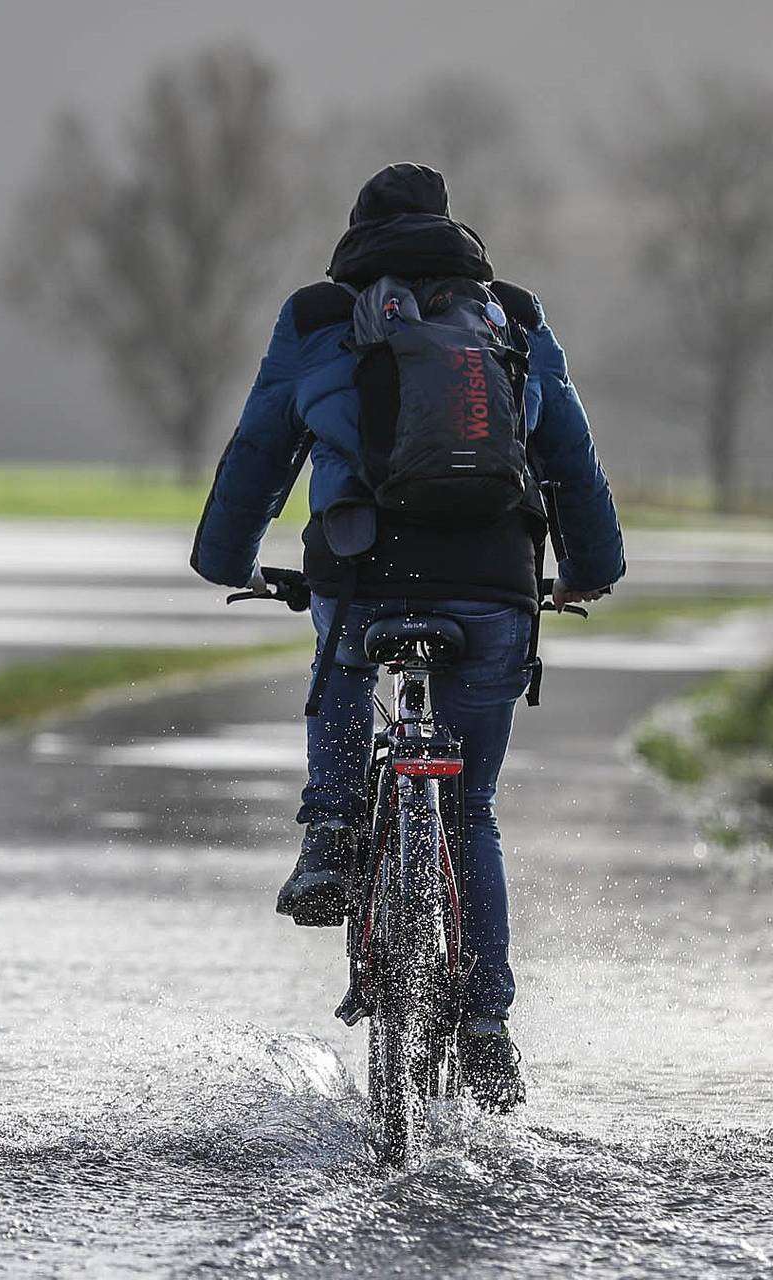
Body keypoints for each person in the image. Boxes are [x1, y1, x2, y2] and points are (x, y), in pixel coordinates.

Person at [189, 163, 626, 1111]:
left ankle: (333, 832)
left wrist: (227, 559)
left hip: (364, 573)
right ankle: (485, 1026)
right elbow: (570, 457)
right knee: (468, 809)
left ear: (356, 237)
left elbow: (262, 446)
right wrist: (588, 567)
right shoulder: (511, 316)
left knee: (344, 655)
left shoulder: (319, 315)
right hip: (494, 587)